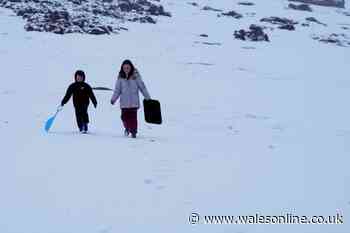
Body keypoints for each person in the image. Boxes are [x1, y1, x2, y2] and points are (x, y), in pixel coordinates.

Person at [111, 60, 151, 138]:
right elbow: (117, 90)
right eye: (125, 68)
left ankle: (133, 132)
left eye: (128, 67)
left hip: (134, 103)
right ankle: (127, 128)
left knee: (133, 118)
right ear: (122, 68)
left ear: (131, 68)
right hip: (124, 104)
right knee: (124, 117)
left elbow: (142, 87)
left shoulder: (136, 77)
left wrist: (147, 97)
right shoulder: (120, 78)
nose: (126, 69)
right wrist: (113, 99)